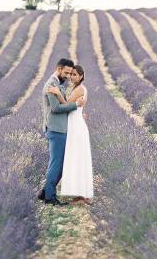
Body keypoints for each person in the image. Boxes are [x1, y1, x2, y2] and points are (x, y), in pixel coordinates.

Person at [39, 58, 84, 205]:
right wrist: (75, 105)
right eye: (66, 72)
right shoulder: (51, 84)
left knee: (61, 163)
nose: (68, 76)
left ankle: (45, 192)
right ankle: (50, 198)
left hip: (61, 129)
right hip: (56, 129)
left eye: (70, 73)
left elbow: (62, 101)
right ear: (58, 69)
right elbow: (56, 108)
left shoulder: (58, 84)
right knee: (56, 164)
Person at [47, 64, 93, 202]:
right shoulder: (76, 88)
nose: (71, 76)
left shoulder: (79, 89)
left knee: (78, 158)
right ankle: (80, 192)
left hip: (77, 127)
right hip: (74, 124)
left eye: (74, 74)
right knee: (77, 158)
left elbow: (67, 104)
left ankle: (81, 194)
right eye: (71, 74)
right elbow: (75, 106)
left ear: (81, 76)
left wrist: (57, 93)